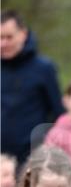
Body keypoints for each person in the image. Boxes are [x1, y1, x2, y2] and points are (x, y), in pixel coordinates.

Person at [1, 9, 64, 165]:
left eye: (9, 37)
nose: (3, 43)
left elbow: (58, 113)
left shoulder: (44, 69)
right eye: (0, 38)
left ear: (23, 34)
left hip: (31, 158)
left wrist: (43, 145)